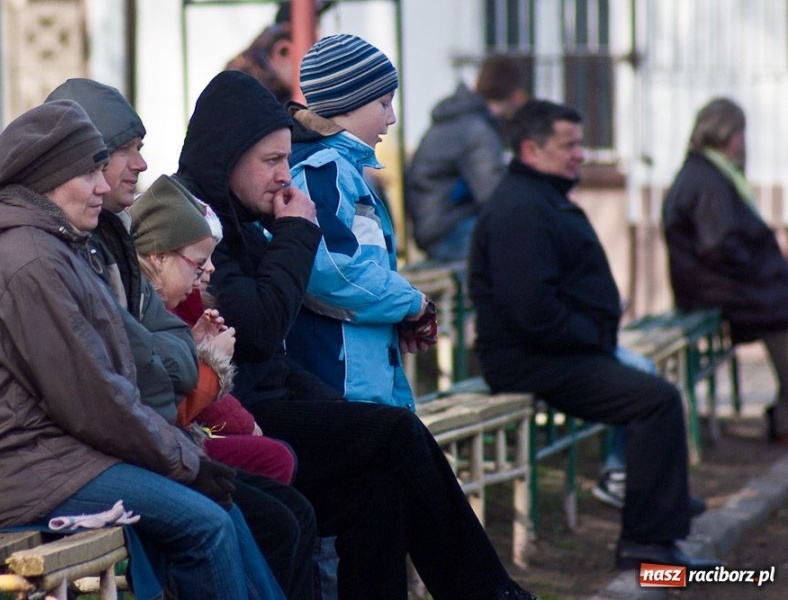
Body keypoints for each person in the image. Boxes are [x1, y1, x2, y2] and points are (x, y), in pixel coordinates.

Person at [173, 68, 533, 600]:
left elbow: (269, 349)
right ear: (228, 155)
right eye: (271, 161)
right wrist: (297, 232)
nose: (283, 176)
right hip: (223, 418)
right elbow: (256, 331)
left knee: (379, 489)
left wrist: (329, 405)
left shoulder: (242, 217)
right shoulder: (199, 221)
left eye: (284, 159)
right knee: (397, 435)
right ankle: (488, 593)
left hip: (265, 401)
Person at [0, 99, 283, 599]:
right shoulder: (31, 263)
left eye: (101, 169)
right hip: (13, 476)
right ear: (49, 179)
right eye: (89, 173)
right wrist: (186, 460)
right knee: (205, 525)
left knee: (220, 511)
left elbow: (110, 386)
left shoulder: (56, 249)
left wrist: (184, 457)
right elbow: (94, 400)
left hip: (55, 460)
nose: (103, 186)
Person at [45, 78, 316, 600]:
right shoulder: (49, 258)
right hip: (67, 464)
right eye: (124, 151)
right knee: (222, 520)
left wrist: (192, 362)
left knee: (277, 509)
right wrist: (200, 370)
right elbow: (140, 369)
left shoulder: (107, 243)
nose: (141, 166)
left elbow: (160, 348)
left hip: (123, 442)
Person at [468, 98, 719, 569]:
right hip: (532, 360)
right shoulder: (521, 208)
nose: (580, 154)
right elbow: (530, 309)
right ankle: (647, 546)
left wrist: (595, 327)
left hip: (560, 351)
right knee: (653, 401)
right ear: (530, 150)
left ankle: (661, 527)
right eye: (569, 145)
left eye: (581, 144)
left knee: (655, 393)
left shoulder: (540, 197)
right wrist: (592, 331)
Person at [285, 34, 434, 410]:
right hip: (341, 381)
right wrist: (411, 304)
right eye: (383, 103)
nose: (392, 117)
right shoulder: (323, 171)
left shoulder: (342, 170)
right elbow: (330, 270)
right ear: (345, 107)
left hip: (361, 375)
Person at [131, 173, 298, 485]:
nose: (210, 269)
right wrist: (209, 360)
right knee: (276, 465)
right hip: (164, 450)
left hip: (172, 442)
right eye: (199, 260)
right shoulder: (147, 310)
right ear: (159, 256)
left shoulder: (160, 306)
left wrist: (194, 346)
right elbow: (168, 406)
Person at [663, 97, 788, 445]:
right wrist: (764, 272)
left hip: (722, 281)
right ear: (724, 134)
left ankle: (783, 414)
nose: (742, 142)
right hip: (714, 286)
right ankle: (784, 420)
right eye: (739, 133)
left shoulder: (711, 172)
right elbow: (718, 246)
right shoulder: (707, 178)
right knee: (781, 310)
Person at [405, 55, 528, 262]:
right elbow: (494, 197)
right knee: (524, 242)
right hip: (448, 231)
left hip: (434, 226)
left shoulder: (460, 119)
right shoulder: (476, 131)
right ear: (515, 96)